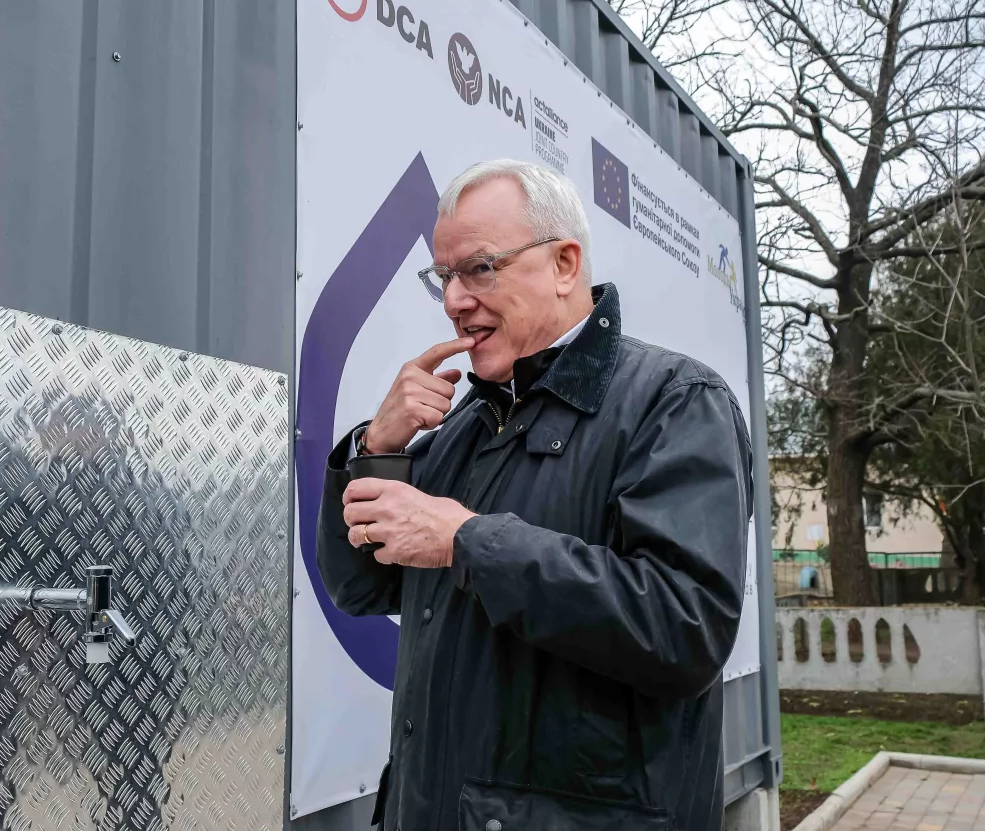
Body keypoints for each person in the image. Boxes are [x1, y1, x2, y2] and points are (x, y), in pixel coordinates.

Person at [316, 159, 752, 831]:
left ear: (565, 265)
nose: (456, 299)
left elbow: (684, 627)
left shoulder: (674, 401)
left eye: (480, 268)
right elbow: (362, 589)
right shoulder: (469, 421)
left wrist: (467, 542)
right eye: (445, 277)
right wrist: (378, 447)